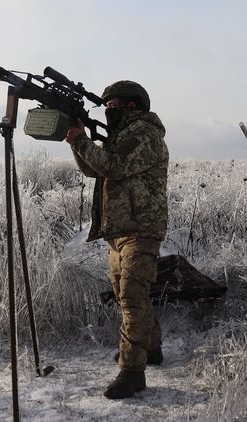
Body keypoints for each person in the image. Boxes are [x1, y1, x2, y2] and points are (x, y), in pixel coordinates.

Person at [65, 80, 169, 399]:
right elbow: (96, 170)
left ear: (132, 106)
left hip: (141, 227)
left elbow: (114, 165)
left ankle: (132, 371)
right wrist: (77, 142)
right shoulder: (121, 136)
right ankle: (150, 349)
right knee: (128, 292)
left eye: (113, 105)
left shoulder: (143, 134)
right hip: (121, 228)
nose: (108, 110)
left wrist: (84, 141)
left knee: (131, 296)